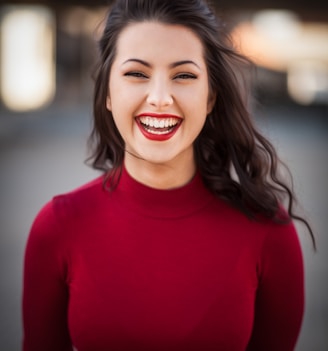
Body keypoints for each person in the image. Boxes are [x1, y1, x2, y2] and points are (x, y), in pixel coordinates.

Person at [22, 0, 315, 350]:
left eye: (184, 75)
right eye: (136, 74)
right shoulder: (57, 227)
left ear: (210, 98)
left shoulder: (268, 231)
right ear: (108, 95)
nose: (160, 98)